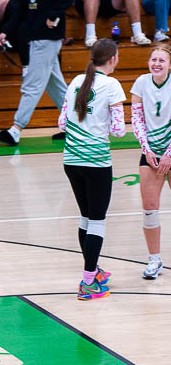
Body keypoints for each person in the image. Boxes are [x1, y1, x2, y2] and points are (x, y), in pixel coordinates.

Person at [58, 38, 124, 300]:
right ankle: (88, 284)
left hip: (71, 160)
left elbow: (62, 122)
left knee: (86, 218)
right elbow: (118, 131)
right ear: (112, 59)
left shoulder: (76, 82)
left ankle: (94, 271)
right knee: (96, 221)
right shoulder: (112, 86)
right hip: (96, 161)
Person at [0, 0, 74, 146]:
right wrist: (6, 31)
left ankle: (16, 130)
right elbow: (20, 12)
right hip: (37, 39)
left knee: (32, 86)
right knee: (56, 86)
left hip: (46, 38)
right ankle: (75, 127)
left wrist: (53, 15)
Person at [130, 45, 171, 279]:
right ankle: (154, 261)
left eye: (162, 60)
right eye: (153, 59)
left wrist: (169, 153)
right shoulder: (141, 83)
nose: (156, 63)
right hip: (151, 154)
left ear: (169, 64)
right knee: (149, 209)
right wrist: (146, 150)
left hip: (170, 151)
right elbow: (136, 119)